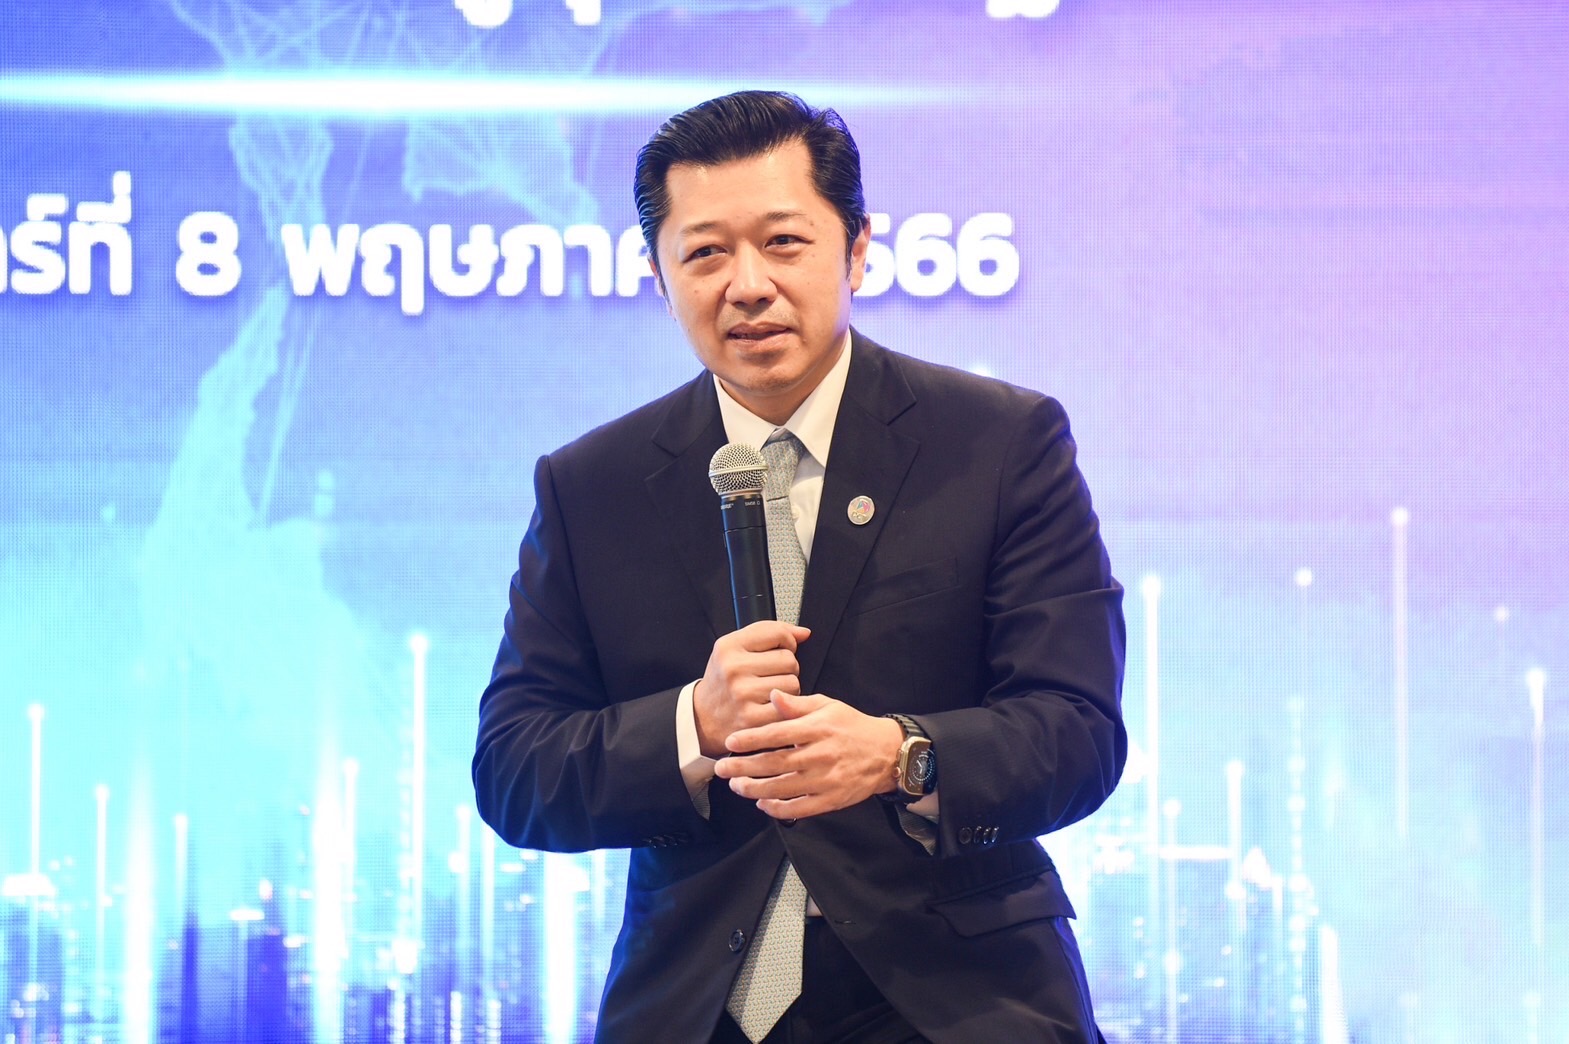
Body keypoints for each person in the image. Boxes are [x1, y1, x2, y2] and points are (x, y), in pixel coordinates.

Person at [473, 90, 1126, 1043]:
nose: (747, 285)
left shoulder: (996, 443)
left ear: (856, 250)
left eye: (783, 242)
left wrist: (898, 753)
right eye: (705, 253)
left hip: (957, 999)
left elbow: (1076, 732)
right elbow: (514, 770)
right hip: (698, 1007)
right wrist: (694, 723)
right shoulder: (591, 486)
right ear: (658, 275)